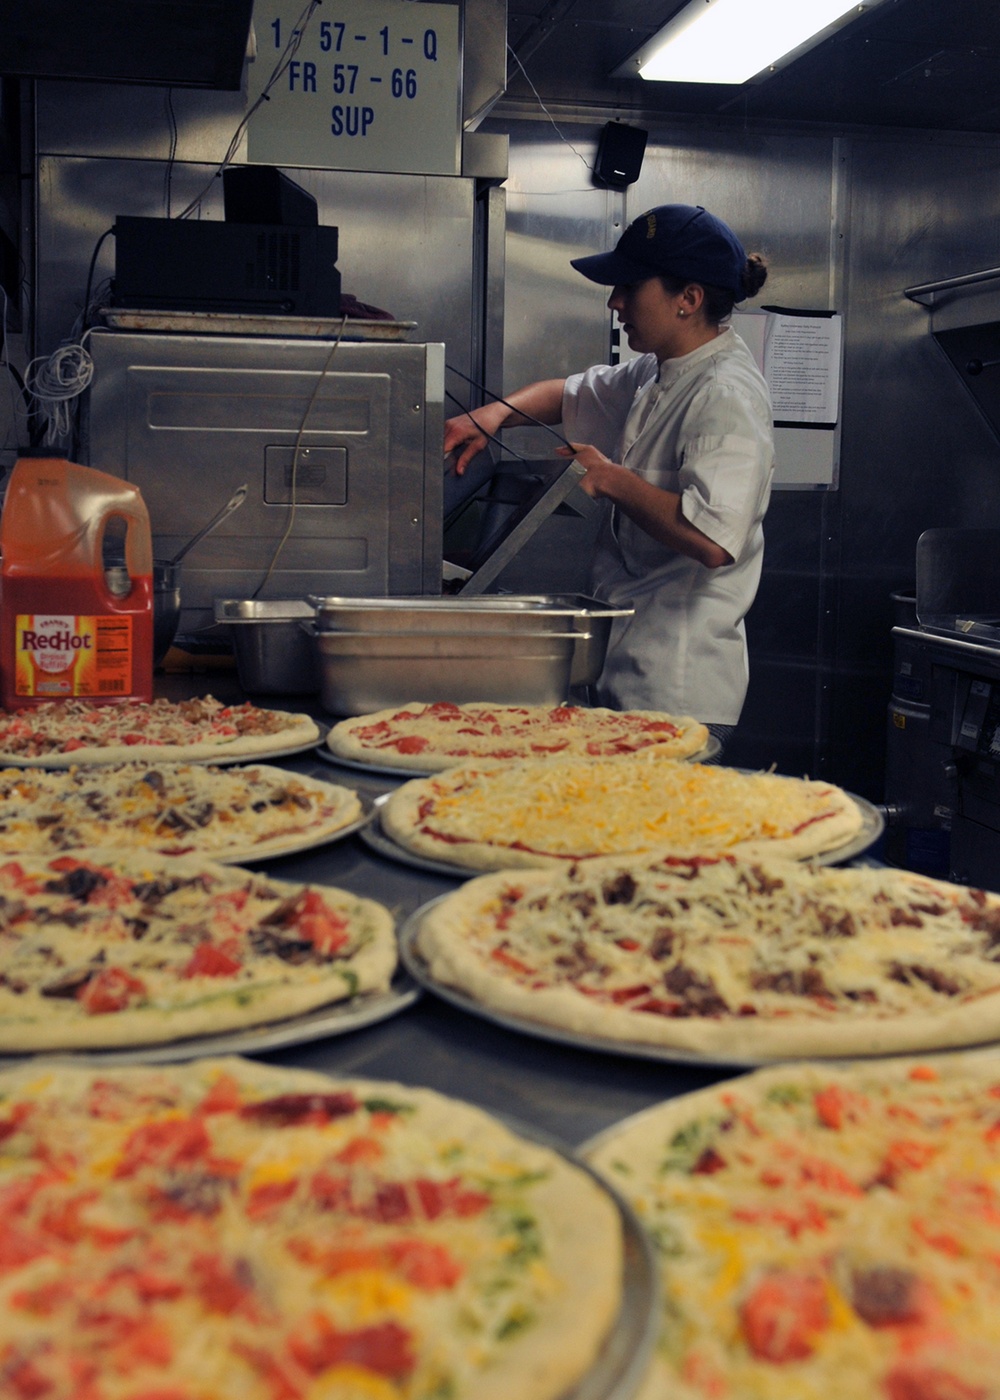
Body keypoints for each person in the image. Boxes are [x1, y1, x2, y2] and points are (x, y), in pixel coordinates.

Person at [443, 203, 774, 756]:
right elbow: (568, 394)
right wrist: (492, 415)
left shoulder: (726, 395)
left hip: (680, 688)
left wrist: (614, 480)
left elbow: (715, 542)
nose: (614, 301)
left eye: (628, 287)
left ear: (688, 299)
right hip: (625, 671)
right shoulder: (658, 368)